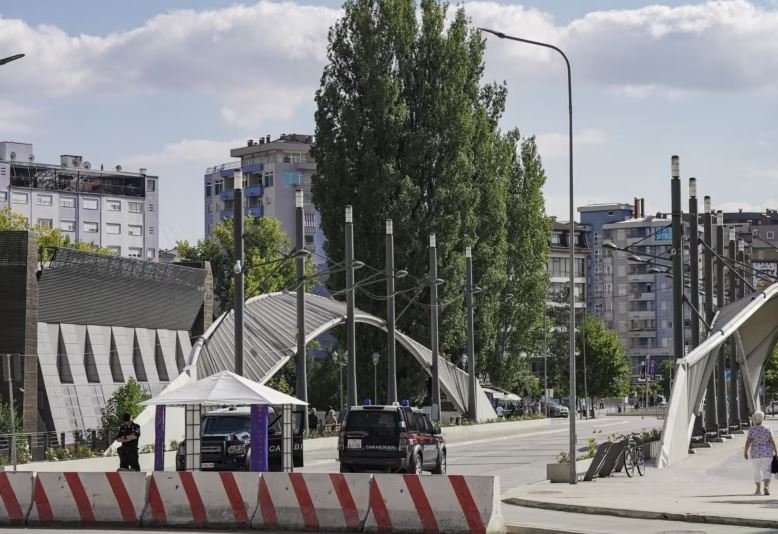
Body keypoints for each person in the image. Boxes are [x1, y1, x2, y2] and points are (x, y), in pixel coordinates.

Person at [744, 410, 777, 495]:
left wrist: (745, 452)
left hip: (755, 453)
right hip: (767, 453)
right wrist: (776, 452)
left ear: (754, 419)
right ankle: (766, 486)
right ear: (762, 419)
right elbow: (772, 441)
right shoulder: (767, 428)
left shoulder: (752, 429)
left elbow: (748, 442)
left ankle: (758, 489)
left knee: (757, 471)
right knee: (767, 470)